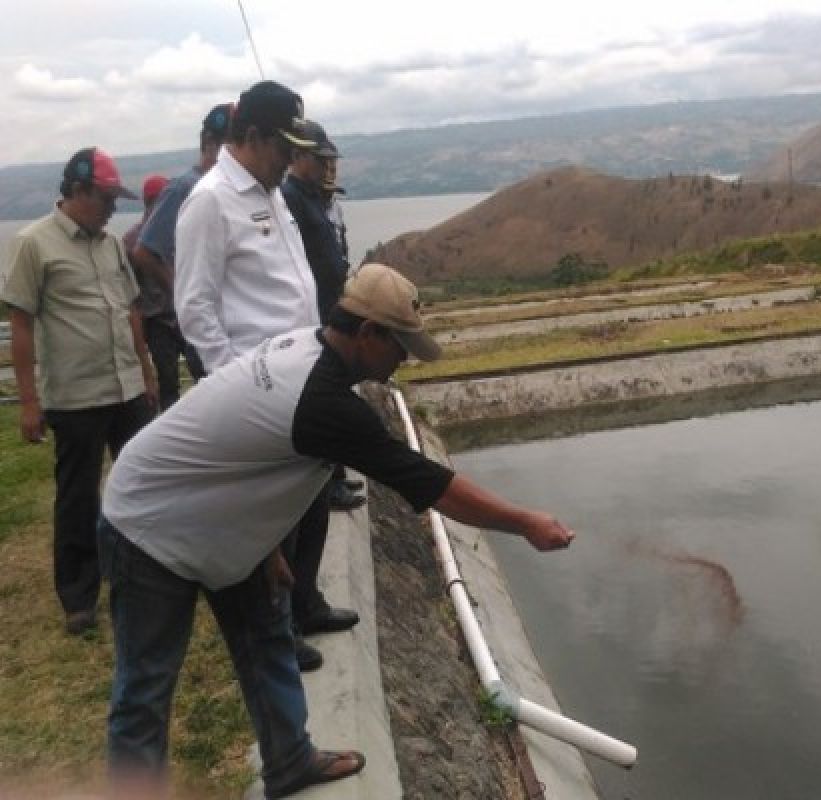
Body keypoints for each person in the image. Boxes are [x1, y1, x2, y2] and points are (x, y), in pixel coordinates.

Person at [99, 263, 575, 798]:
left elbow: (252, 457)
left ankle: (289, 761)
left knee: (267, 632)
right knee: (146, 685)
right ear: (368, 333)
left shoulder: (309, 348)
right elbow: (432, 486)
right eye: (400, 346)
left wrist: (265, 546)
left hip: (213, 515)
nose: (404, 358)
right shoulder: (325, 402)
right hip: (147, 522)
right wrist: (524, 521)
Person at [173, 80, 341, 671]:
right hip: (258, 389)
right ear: (251, 137)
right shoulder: (211, 201)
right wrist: (232, 384)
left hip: (302, 374)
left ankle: (307, 601)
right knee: (273, 517)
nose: (291, 161)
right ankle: (279, 632)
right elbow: (195, 307)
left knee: (313, 498)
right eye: (283, 148)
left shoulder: (270, 192)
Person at [1, 147, 158, 634]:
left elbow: (130, 310)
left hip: (126, 386)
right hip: (76, 395)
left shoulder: (110, 245)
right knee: (77, 496)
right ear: (78, 191)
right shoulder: (34, 244)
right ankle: (79, 597)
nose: (113, 208)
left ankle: (146, 575)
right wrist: (29, 401)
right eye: (107, 197)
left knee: (142, 482)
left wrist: (147, 370)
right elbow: (21, 323)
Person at [281, 120, 365, 512]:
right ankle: (326, 484)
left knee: (335, 395)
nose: (327, 168)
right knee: (323, 399)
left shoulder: (313, 197)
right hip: (315, 317)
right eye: (321, 160)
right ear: (300, 157)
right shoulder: (291, 198)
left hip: (331, 309)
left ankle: (335, 476)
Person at [129, 103, 234, 409]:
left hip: (216, 319)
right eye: (230, 143)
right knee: (192, 390)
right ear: (210, 144)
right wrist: (183, 291)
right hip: (183, 321)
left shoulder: (228, 188)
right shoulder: (185, 188)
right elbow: (145, 251)